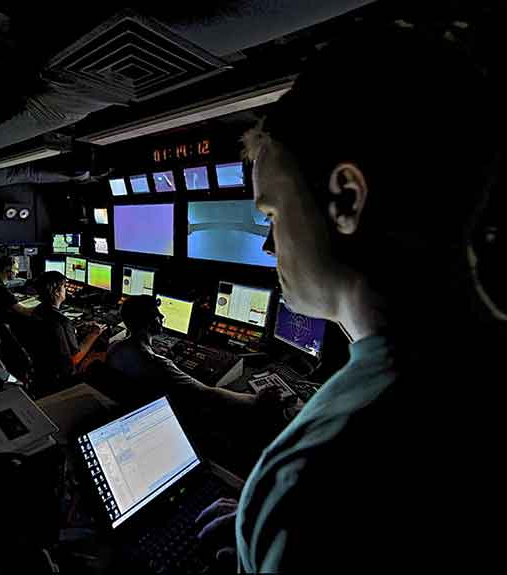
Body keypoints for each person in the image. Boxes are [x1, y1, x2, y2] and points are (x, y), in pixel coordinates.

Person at [194, 26, 504, 571]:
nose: (268, 244)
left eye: (271, 213)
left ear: (345, 198)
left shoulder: (315, 477)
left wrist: (270, 518)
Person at [106, 295, 275, 413]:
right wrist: (255, 400)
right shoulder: (160, 365)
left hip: (135, 405)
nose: (162, 316)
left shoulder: (114, 347)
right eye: (157, 314)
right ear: (150, 322)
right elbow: (208, 393)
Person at [28, 271, 103, 394]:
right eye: (63, 287)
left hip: (41, 369)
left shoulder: (37, 311)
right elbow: (74, 359)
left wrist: (74, 328)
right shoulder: (61, 322)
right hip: (60, 378)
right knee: (102, 355)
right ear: (57, 292)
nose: (65, 290)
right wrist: (94, 334)